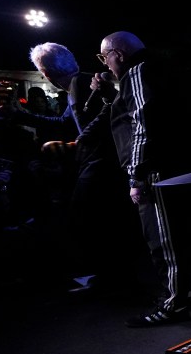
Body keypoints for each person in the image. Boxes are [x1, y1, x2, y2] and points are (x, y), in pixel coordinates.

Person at [97, 30, 191, 327]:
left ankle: (173, 305)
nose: (105, 64)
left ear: (120, 54)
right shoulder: (157, 69)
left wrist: (136, 176)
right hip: (172, 166)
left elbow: (143, 123)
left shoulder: (137, 71)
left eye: (105, 56)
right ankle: (180, 295)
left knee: (163, 240)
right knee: (175, 237)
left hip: (157, 171)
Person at [28, 42, 131, 291]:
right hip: (98, 161)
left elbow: (108, 119)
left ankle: (110, 279)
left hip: (101, 163)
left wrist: (79, 142)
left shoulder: (82, 85)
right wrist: (18, 115)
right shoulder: (76, 86)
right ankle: (109, 277)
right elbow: (63, 122)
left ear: (45, 73)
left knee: (84, 220)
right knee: (95, 222)